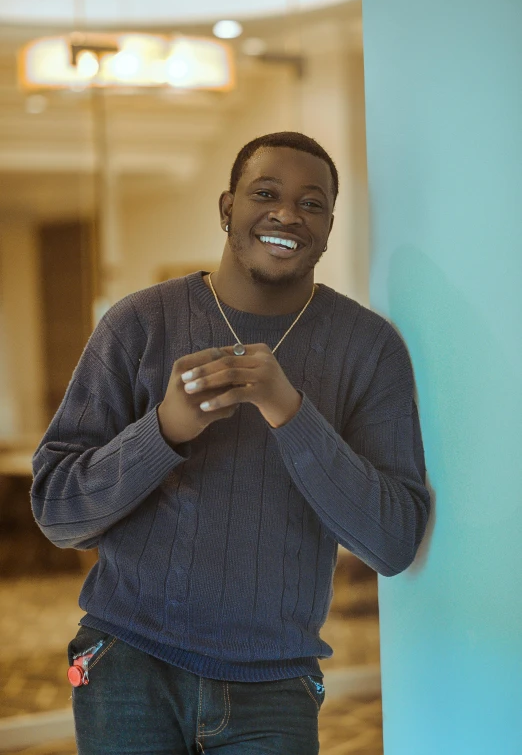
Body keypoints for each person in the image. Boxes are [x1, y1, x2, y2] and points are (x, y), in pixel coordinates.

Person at [31, 131, 430, 755]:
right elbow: (58, 513)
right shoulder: (136, 324)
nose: (287, 213)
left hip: (275, 681)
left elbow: (393, 541)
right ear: (226, 209)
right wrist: (163, 430)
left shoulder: (370, 349)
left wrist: (288, 410)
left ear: (327, 229)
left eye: (312, 203)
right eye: (265, 193)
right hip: (128, 663)